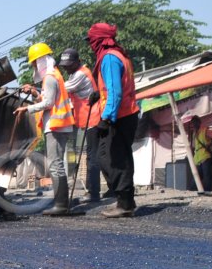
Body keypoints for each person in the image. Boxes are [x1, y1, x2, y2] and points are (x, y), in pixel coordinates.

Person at [15, 43, 76, 215]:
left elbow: (48, 103)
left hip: (56, 126)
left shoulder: (50, 77)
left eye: (34, 62)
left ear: (41, 60)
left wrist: (27, 109)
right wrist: (34, 92)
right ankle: (61, 204)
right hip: (59, 126)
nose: (34, 66)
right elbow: (48, 98)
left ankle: (61, 205)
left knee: (56, 165)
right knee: (56, 164)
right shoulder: (54, 75)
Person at [88, 22, 140, 217]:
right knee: (117, 158)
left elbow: (116, 92)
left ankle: (125, 204)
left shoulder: (109, 58)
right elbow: (113, 87)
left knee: (113, 159)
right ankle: (125, 201)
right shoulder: (119, 56)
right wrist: (97, 94)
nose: (90, 45)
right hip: (126, 114)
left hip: (119, 116)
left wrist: (107, 118)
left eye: (92, 41)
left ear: (99, 40)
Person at [58, 48, 102, 203]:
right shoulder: (73, 73)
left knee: (92, 157)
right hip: (86, 119)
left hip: (93, 118)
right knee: (92, 156)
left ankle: (93, 192)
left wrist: (40, 91)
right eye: (64, 65)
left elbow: (60, 90)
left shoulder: (80, 74)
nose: (66, 67)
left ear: (77, 61)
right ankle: (97, 191)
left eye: (69, 64)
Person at [182, 114, 212, 192]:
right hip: (198, 158)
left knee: (206, 176)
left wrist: (209, 144)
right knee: (198, 176)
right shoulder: (194, 134)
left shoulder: (204, 130)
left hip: (205, 156)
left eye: (195, 123)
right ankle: (192, 190)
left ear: (199, 123)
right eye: (193, 123)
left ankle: (207, 191)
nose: (193, 125)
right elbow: (193, 147)